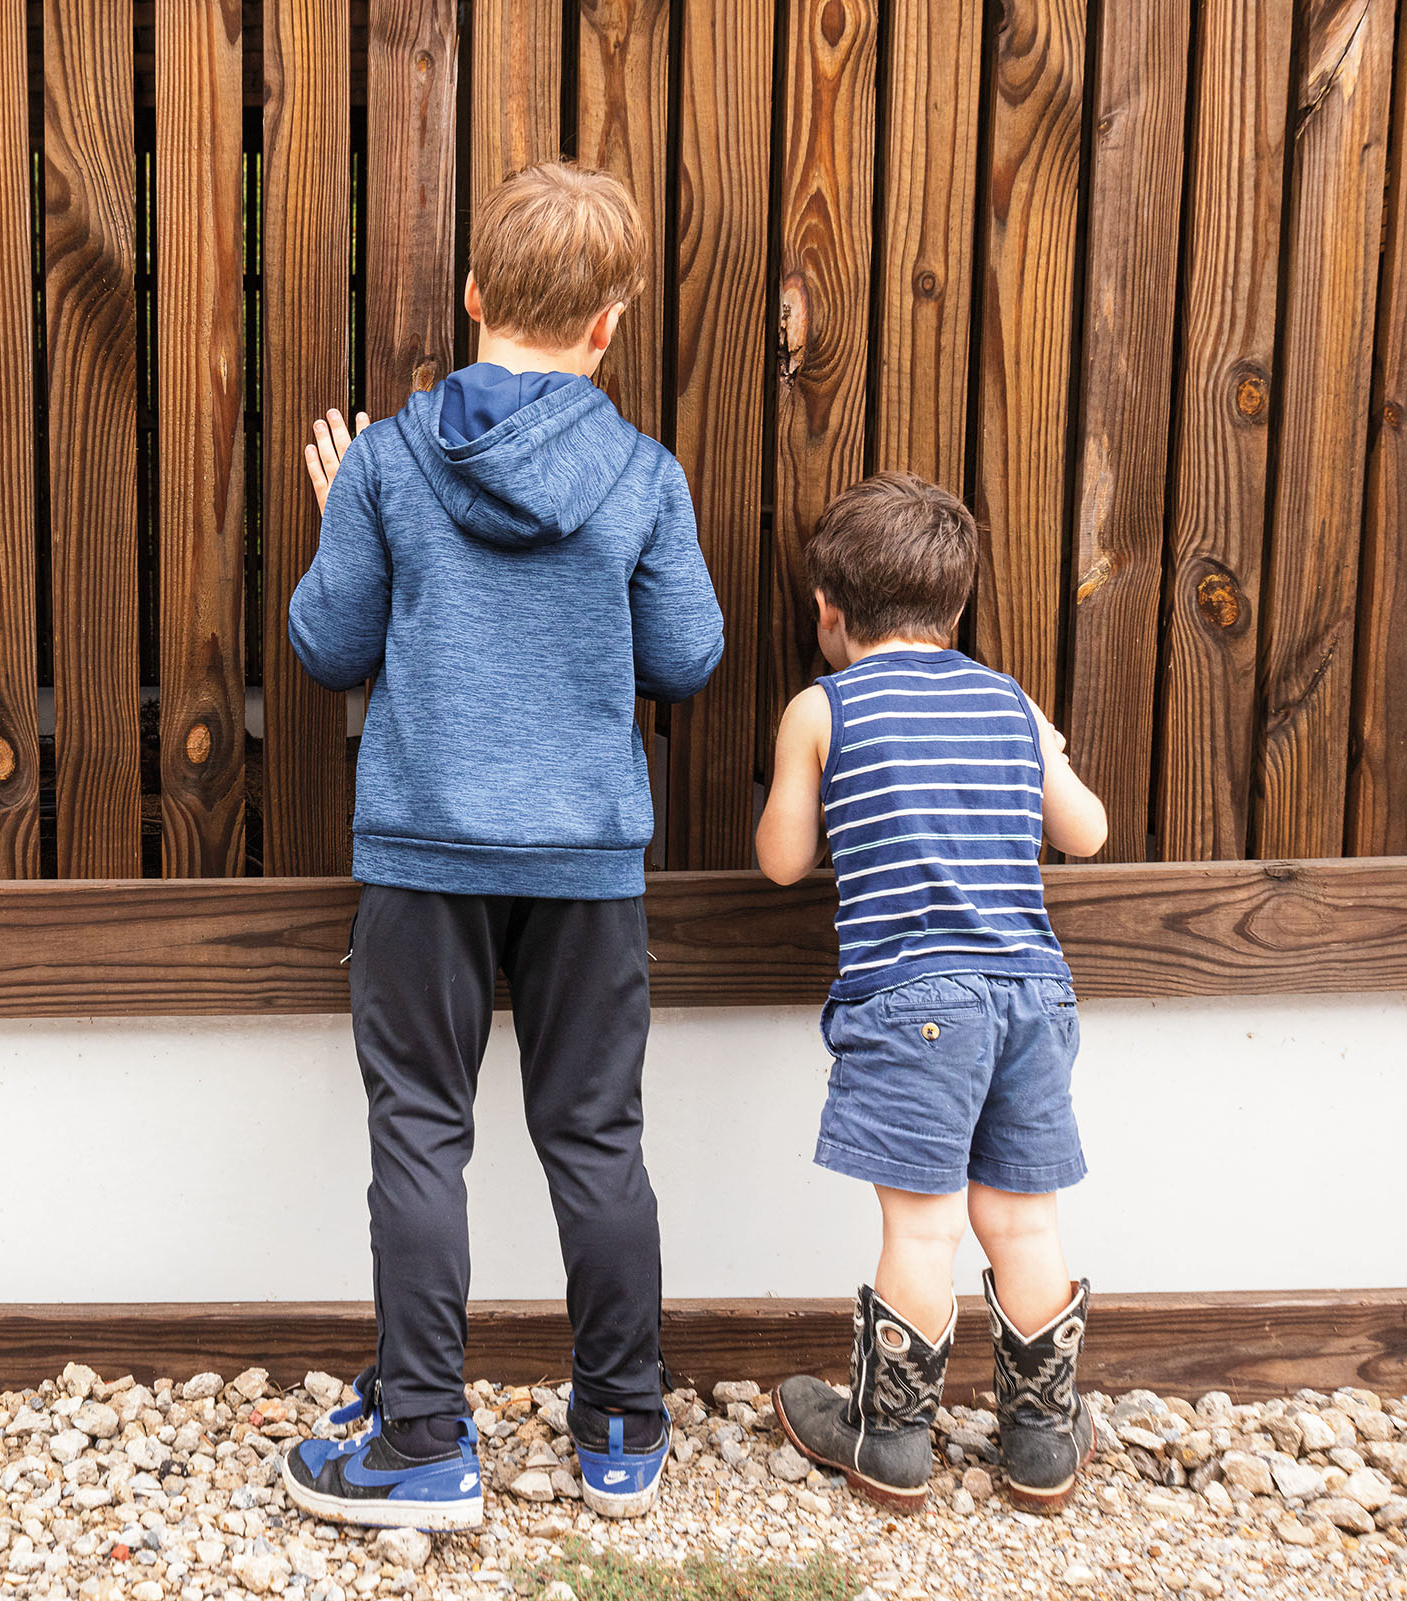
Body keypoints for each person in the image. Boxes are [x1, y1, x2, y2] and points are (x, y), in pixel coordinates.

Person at [274, 162, 725, 1530]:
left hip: (424, 857)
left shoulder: (394, 465)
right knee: (594, 1136)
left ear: (472, 296)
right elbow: (689, 656)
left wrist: (345, 513)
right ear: (610, 325)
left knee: (422, 1133)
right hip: (586, 864)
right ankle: (621, 1430)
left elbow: (325, 644)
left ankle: (422, 1438)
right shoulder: (644, 475)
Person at [754, 472, 1110, 1514]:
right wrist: (1041, 750)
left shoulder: (823, 708)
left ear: (830, 610)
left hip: (916, 998)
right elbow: (1084, 831)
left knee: (924, 1229)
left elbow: (783, 859)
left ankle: (891, 1436)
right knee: (1023, 1221)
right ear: (957, 609)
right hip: (1034, 994)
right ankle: (1042, 1444)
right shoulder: (1008, 698)